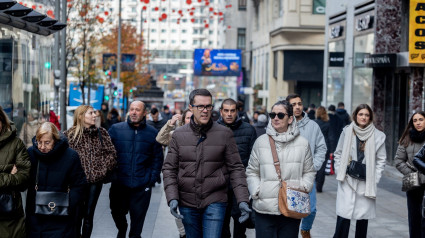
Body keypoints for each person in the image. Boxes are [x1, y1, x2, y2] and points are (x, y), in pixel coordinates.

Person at [162, 89, 251, 238]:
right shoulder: (178, 135)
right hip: (187, 200)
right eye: (200, 107)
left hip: (215, 199)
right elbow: (169, 168)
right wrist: (172, 197)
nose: (205, 111)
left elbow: (236, 168)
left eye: (208, 106)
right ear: (191, 107)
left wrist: (242, 199)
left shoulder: (224, 134)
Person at [246, 100, 316, 238]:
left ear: (290, 119)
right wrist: (257, 190)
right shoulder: (261, 142)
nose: (275, 118)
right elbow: (252, 171)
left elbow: (309, 171)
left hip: (291, 206)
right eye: (272, 115)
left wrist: (303, 187)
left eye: (280, 115)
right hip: (264, 208)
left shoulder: (302, 143)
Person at [108, 101, 164, 238]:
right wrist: (112, 175)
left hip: (141, 186)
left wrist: (150, 180)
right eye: (131, 109)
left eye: (137, 110)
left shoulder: (152, 133)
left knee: (137, 226)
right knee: (116, 212)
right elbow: (106, 154)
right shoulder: (115, 129)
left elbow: (157, 158)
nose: (133, 112)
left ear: (145, 113)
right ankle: (122, 229)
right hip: (119, 184)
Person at [332, 104, 386, 238]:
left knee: (362, 220)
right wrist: (341, 171)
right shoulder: (347, 131)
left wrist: (375, 178)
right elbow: (338, 153)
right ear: (355, 115)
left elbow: (381, 160)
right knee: (343, 218)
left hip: (365, 182)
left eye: (367, 115)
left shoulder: (378, 136)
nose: (363, 117)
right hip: (348, 180)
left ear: (370, 117)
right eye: (361, 114)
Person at [64, 105, 117, 238]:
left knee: (88, 215)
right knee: (76, 215)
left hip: (95, 182)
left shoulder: (102, 133)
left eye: (95, 113)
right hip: (76, 183)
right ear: (81, 116)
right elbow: (61, 156)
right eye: (91, 113)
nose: (95, 115)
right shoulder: (69, 135)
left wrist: (102, 169)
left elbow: (111, 154)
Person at [26, 122, 87, 238]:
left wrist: (68, 203)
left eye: (47, 143)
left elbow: (79, 185)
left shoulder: (71, 156)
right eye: (39, 142)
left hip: (62, 216)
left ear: (55, 140)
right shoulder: (31, 154)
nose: (42, 147)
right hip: (36, 217)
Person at [286, 94, 327, 238]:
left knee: (312, 209)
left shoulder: (313, 125)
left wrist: (314, 166)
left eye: (299, 103)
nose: (297, 107)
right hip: (288, 176)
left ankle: (305, 229)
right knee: (290, 210)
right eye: (293, 104)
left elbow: (321, 148)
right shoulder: (282, 124)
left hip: (307, 175)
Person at [217, 98, 257, 238]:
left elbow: (254, 159)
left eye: (232, 110)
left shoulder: (248, 130)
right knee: (222, 225)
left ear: (237, 111)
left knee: (241, 224)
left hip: (241, 185)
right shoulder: (213, 129)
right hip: (220, 186)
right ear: (221, 112)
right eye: (226, 110)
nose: (229, 114)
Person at [156, 109, 191, 238]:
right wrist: (170, 123)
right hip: (178, 178)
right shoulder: (175, 134)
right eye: (187, 118)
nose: (190, 120)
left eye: (192, 118)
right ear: (183, 120)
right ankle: (182, 233)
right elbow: (160, 138)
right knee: (179, 209)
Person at [0, 106, 31, 238]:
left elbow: (24, 178)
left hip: (10, 217)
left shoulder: (16, 144)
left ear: (2, 121)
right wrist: (9, 174)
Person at [395, 111, 425, 238]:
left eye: (421, 119)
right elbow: (398, 160)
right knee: (413, 216)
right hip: (412, 179)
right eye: (415, 120)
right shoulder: (406, 138)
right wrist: (412, 173)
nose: (418, 123)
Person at [314, 106, 334, 193]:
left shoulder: (314, 123)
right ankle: (319, 187)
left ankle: (313, 183)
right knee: (322, 168)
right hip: (324, 147)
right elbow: (331, 138)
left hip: (314, 147)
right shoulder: (328, 124)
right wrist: (331, 150)